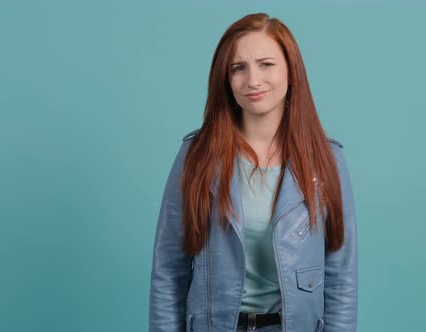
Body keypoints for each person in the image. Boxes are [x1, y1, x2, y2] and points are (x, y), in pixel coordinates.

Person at [149, 13, 357, 332]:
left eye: (266, 64)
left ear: (291, 70)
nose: (253, 80)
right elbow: (168, 272)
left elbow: (341, 279)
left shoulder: (327, 161)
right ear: (226, 79)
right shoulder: (196, 155)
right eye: (238, 68)